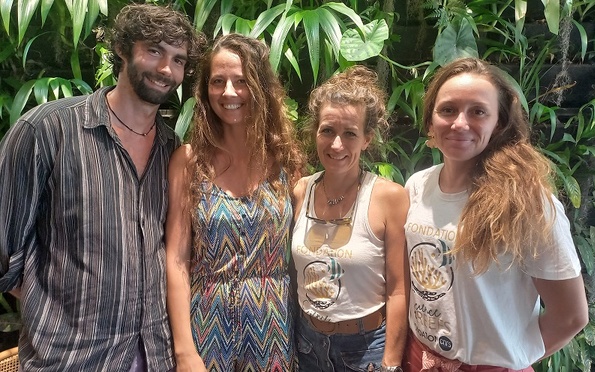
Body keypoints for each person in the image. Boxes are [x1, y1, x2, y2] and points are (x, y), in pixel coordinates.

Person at [0, 4, 204, 371]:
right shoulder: (48, 131)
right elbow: (4, 251)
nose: (165, 70)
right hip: (72, 360)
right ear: (123, 49)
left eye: (178, 60)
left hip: (156, 357)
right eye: (154, 50)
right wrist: (56, 312)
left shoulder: (174, 152)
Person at [403, 57, 589, 371]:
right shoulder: (418, 186)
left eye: (478, 111)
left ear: (499, 123)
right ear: (430, 120)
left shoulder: (526, 203)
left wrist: (505, 360)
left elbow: (570, 316)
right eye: (447, 110)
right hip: (419, 357)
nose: (460, 123)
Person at [165, 33, 305, 371]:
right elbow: (177, 260)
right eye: (218, 81)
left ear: (261, 87)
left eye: (241, 81)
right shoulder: (189, 161)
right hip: (206, 325)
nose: (229, 93)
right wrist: (184, 351)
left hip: (274, 326)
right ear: (204, 90)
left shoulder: (287, 161)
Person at [290, 65, 410, 371]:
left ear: (367, 139)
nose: (337, 145)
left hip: (366, 349)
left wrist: (391, 363)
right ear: (315, 132)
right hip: (307, 344)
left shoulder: (388, 198)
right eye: (327, 130)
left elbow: (399, 290)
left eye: (350, 134)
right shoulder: (301, 191)